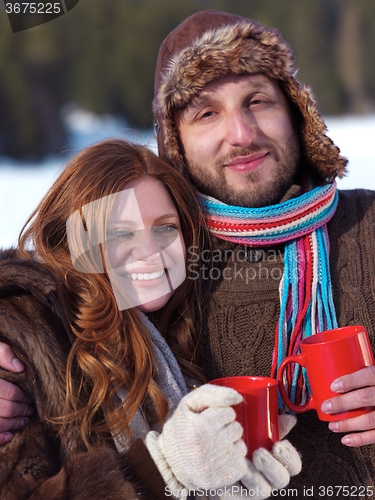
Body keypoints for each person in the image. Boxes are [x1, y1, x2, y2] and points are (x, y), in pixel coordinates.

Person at [2, 6, 374, 496]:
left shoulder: (366, 225)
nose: (241, 135)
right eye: (206, 113)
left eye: (258, 101)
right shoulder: (159, 283)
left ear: (295, 111)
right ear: (174, 140)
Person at [0, 139, 300, 499]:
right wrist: (164, 469)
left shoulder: (173, 332)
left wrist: (218, 479)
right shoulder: (26, 338)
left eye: (165, 227)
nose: (150, 251)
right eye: (119, 233)